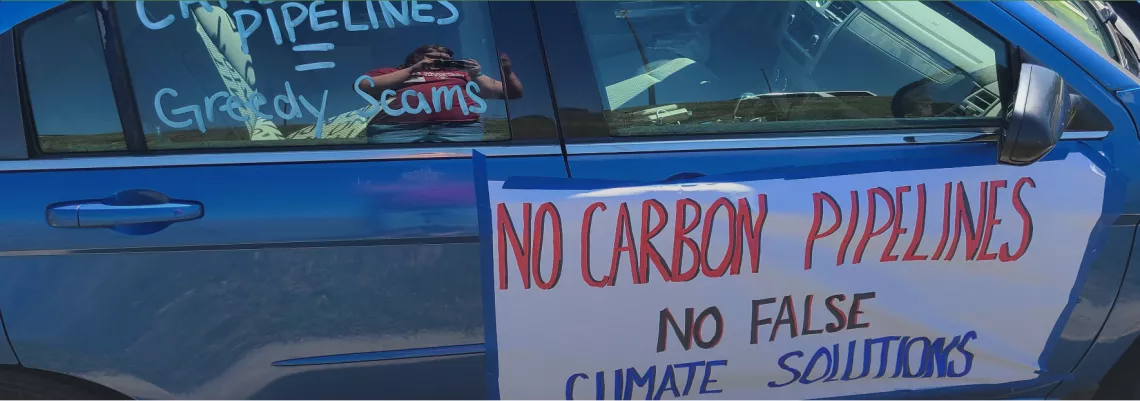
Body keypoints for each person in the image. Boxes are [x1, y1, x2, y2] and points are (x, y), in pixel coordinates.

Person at [357, 44, 524, 143]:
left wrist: (500, 72)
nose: (442, 61)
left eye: (446, 59)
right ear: (416, 57)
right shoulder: (393, 71)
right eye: (435, 57)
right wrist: (413, 70)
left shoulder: (464, 74)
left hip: (460, 130)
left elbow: (512, 93)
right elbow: (364, 85)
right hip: (397, 130)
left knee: (462, 175)